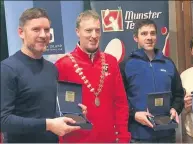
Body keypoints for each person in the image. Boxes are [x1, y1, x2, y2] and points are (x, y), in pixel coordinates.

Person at [0, 8, 85, 143]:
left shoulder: (51, 69)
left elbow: (49, 112)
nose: (43, 35)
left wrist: (73, 114)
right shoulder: (7, 69)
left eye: (46, 30)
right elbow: (3, 120)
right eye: (36, 29)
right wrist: (48, 125)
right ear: (21, 32)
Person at [55, 10, 130, 143]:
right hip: (76, 140)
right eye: (88, 30)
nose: (94, 35)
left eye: (97, 30)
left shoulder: (111, 62)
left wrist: (123, 137)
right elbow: (55, 109)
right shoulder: (62, 65)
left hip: (109, 138)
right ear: (78, 32)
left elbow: (121, 103)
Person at [120, 19, 184, 143]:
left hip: (167, 135)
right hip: (138, 136)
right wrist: (134, 114)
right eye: (144, 34)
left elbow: (179, 94)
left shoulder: (168, 63)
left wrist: (175, 108)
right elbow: (119, 100)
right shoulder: (126, 65)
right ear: (135, 38)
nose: (149, 37)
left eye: (152, 33)